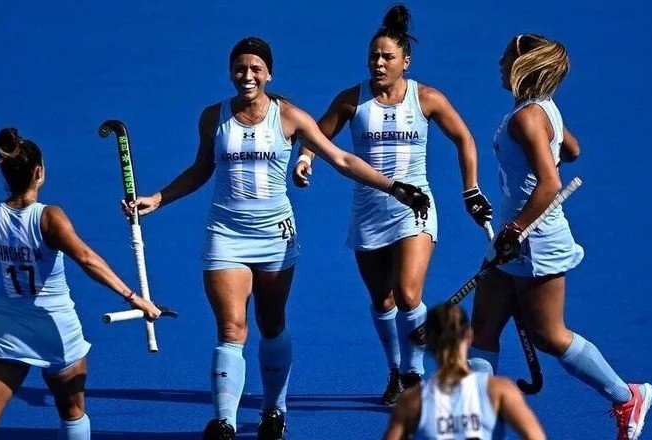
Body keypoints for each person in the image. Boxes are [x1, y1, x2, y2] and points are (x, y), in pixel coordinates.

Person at [125, 37, 430, 440]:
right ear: (231, 72)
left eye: (255, 68)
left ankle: (274, 409)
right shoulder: (213, 117)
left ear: (268, 74)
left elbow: (341, 158)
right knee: (231, 328)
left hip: (274, 236)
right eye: (240, 68)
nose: (247, 75)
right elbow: (201, 169)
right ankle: (224, 421)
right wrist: (158, 198)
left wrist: (394, 187)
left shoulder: (289, 118)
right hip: (225, 234)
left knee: (271, 324)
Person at [292, 4, 492, 405]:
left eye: (387, 57)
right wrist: (305, 159)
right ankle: (395, 370)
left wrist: (470, 189)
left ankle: (414, 375)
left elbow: (465, 139)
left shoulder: (427, 98)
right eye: (373, 57)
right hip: (368, 211)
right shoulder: (351, 100)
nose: (379, 64)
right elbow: (316, 135)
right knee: (382, 301)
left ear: (406, 61)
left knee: (407, 295)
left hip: (414, 206)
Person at [468, 34, 652, 439]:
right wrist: (549, 147)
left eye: (505, 56)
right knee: (482, 327)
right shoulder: (540, 109)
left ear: (522, 63)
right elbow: (572, 151)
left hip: (533, 240)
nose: (500, 63)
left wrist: (515, 229)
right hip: (514, 236)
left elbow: (550, 183)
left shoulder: (527, 118)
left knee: (549, 336)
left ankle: (628, 397)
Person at [0, 128, 161, 440]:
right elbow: (87, 259)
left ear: (5, 174)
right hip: (57, 329)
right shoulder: (48, 217)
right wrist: (134, 297)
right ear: (39, 173)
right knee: (73, 411)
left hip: (8, 328)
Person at [383, 303, 545, 439]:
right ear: (469, 336)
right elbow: (536, 436)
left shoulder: (411, 401)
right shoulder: (500, 390)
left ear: (429, 344)